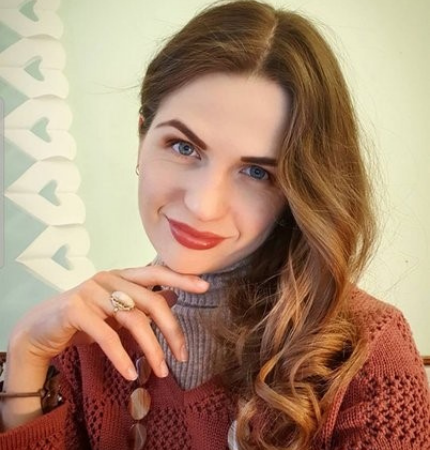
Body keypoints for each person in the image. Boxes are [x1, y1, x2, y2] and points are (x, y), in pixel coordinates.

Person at [1, 0, 429, 449]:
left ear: (298, 189)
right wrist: (26, 355)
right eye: (183, 147)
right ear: (142, 136)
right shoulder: (85, 343)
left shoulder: (367, 350)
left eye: (257, 172)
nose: (204, 205)